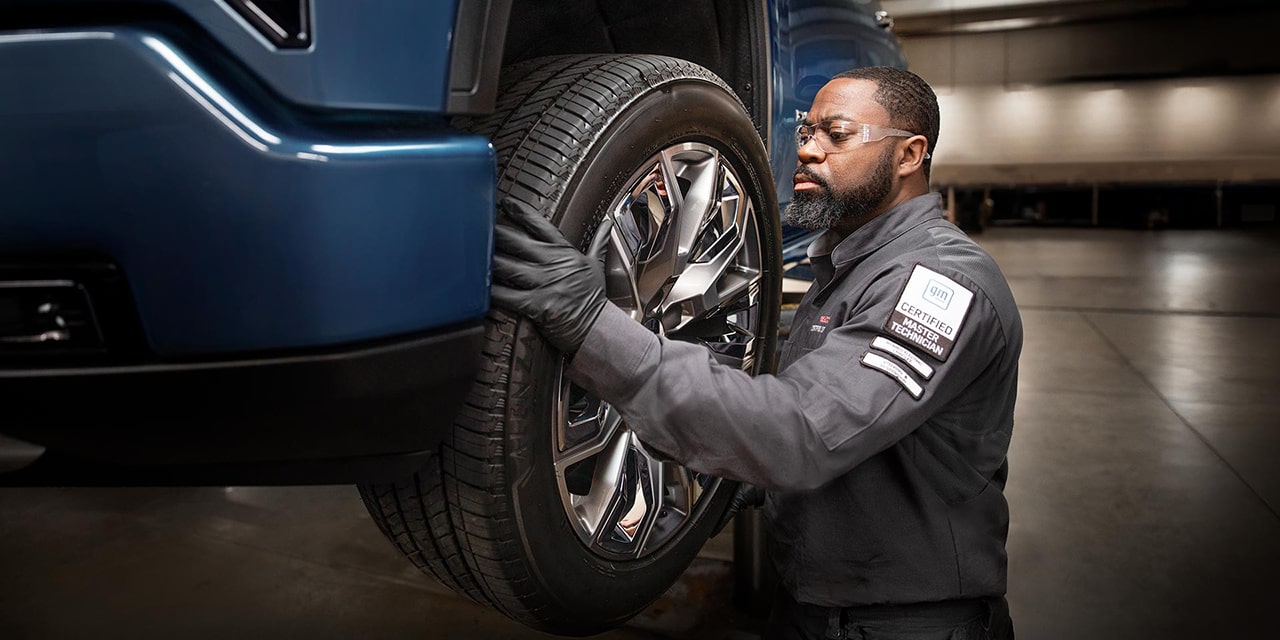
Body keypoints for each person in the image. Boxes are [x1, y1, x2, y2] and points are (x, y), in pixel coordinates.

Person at [492, 66, 1021, 640]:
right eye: (805, 132)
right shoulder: (852, 263)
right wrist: (741, 477)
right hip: (808, 606)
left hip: (912, 625)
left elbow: (802, 434)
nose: (808, 151)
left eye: (836, 135)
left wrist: (594, 327)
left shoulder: (939, 284)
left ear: (909, 155)